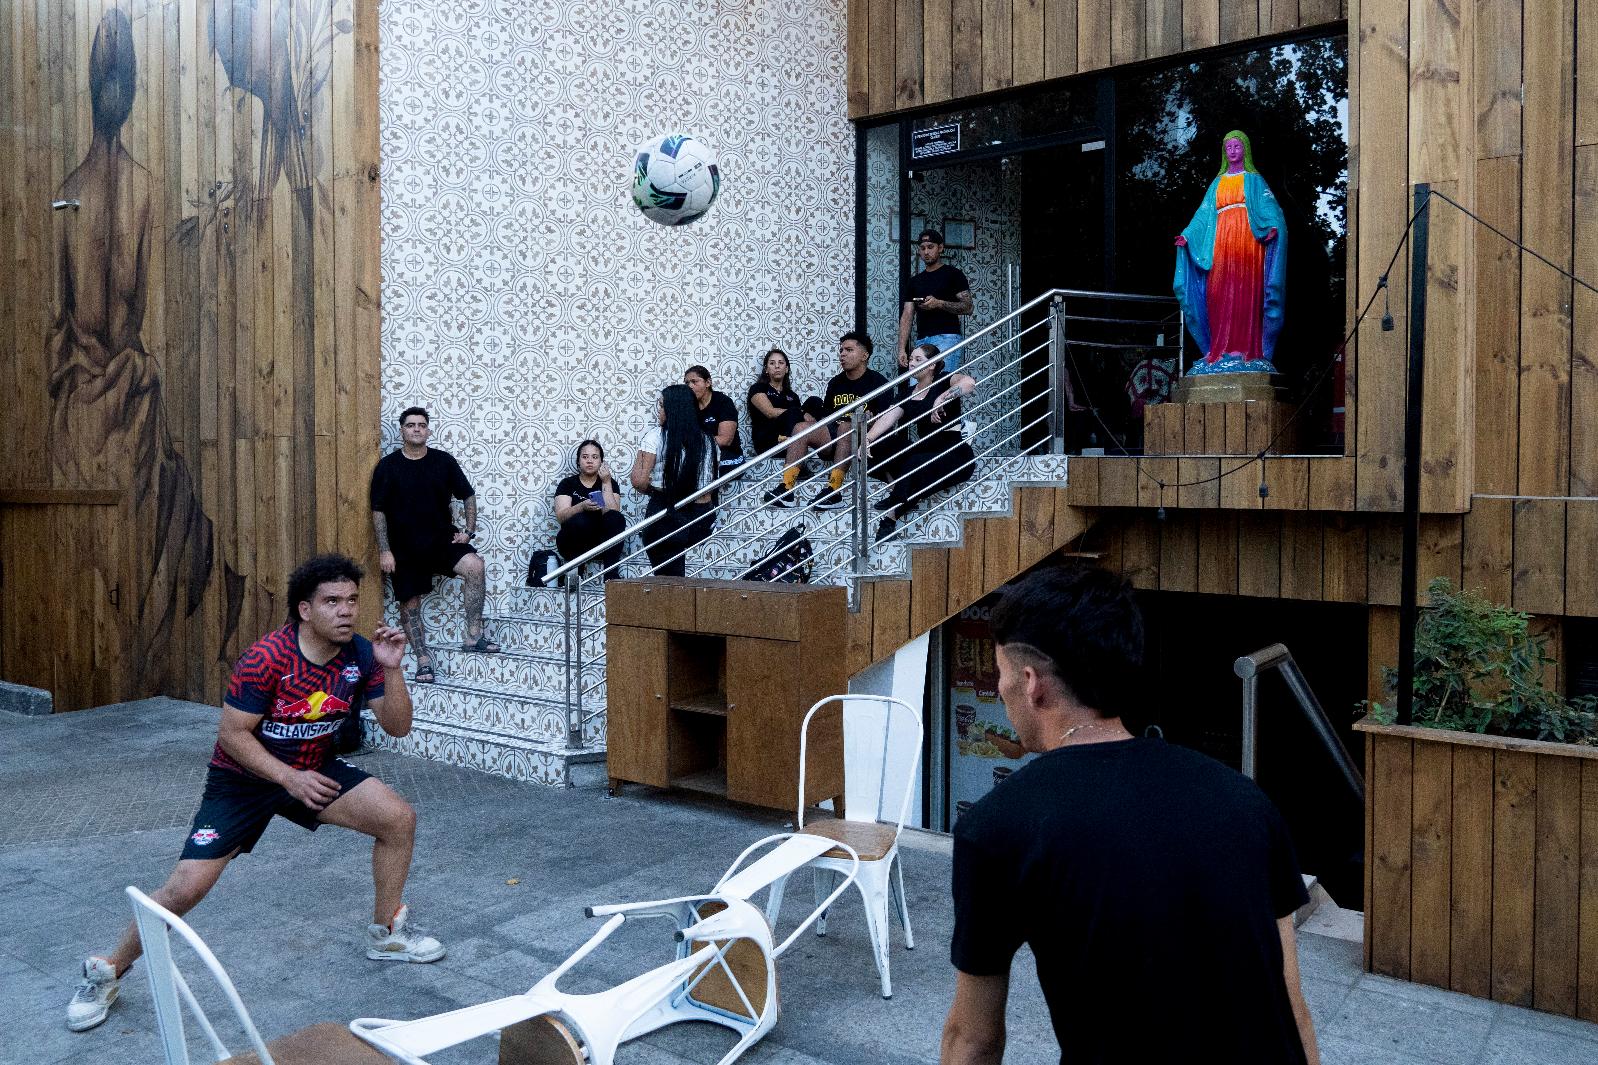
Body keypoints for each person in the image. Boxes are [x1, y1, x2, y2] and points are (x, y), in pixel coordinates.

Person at [940, 565, 1320, 1065]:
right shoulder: (1245, 801)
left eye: (1001, 674)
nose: (1001, 688)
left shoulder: (998, 827)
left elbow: (974, 1039)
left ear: (1031, 683)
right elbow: (1292, 1004)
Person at [65, 554, 445, 1034]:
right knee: (185, 888)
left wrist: (393, 670)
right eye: (331, 601)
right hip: (243, 781)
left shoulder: (364, 654)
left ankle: (387, 933)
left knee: (397, 819)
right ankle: (107, 971)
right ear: (305, 610)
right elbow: (232, 735)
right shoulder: (267, 658)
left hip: (312, 767)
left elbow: (398, 727)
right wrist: (288, 779)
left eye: (351, 600)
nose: (346, 610)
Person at [370, 406, 499, 686]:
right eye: (411, 425)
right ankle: (423, 659)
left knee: (475, 566)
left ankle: (474, 636)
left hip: (441, 540)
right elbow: (378, 510)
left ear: (428, 430)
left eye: (421, 425)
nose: (416, 429)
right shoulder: (388, 466)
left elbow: (468, 495)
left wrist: (468, 531)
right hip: (404, 547)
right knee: (410, 603)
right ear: (402, 430)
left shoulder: (444, 461)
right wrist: (384, 550)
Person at [1173, 129, 1287, 374]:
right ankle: (1219, 347)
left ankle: (1246, 349)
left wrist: (1271, 226)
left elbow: (1270, 208)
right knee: (1217, 291)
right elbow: (1203, 215)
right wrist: (1188, 235)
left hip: (1247, 243)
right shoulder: (1218, 183)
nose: (1233, 151)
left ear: (1245, 150)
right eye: (1229, 148)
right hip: (1220, 243)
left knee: (1245, 291)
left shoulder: (1254, 180)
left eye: (1237, 146)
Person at [867, 344, 977, 541]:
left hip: (954, 452)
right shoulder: (907, 393)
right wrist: (867, 439)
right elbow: (887, 418)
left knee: (915, 463)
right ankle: (897, 489)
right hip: (925, 448)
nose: (911, 363)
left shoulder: (944, 380)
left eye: (918, 360)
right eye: (911, 359)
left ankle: (890, 518)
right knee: (877, 446)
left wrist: (942, 398)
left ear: (932, 365)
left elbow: (969, 383)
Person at [785, 332, 893, 509]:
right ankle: (786, 488)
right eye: (841, 350)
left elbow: (887, 419)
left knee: (846, 427)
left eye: (849, 350)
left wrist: (870, 419)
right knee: (800, 428)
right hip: (835, 438)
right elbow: (827, 416)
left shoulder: (879, 382)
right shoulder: (835, 383)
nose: (842, 354)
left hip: (863, 441)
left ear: (865, 356)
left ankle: (834, 490)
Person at [631, 383, 718, 577]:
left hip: (666, 510)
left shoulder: (656, 436)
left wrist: (653, 491)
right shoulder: (708, 440)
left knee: (667, 579)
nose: (659, 410)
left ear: (674, 409)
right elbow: (709, 485)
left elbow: (638, 481)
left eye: (662, 406)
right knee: (677, 579)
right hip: (701, 515)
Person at [746, 348, 816, 507]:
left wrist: (803, 414)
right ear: (766, 369)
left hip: (789, 442)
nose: (777, 366)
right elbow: (770, 412)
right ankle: (798, 458)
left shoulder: (792, 396)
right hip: (767, 441)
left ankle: (804, 447)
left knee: (814, 402)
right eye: (772, 363)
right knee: (794, 413)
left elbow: (801, 420)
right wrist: (799, 412)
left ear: (787, 368)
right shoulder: (758, 389)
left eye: (781, 363)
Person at [897, 229, 973, 372]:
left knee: (940, 382)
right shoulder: (914, 281)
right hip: (922, 341)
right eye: (922, 248)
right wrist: (901, 349)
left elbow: (968, 307)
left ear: (940, 248)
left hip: (947, 338)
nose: (926, 252)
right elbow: (907, 315)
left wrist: (939, 303)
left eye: (930, 247)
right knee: (917, 384)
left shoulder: (953, 274)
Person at [553, 439, 625, 580]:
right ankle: (575, 576)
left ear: (601, 461)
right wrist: (581, 506)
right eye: (585, 457)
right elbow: (561, 517)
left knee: (617, 518)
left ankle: (610, 576)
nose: (590, 461)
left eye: (595, 457)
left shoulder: (610, 482)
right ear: (578, 461)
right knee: (580, 520)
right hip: (571, 543)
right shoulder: (567, 484)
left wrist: (606, 482)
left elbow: (613, 514)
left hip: (600, 543)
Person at [683, 365, 744, 474]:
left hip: (728, 455)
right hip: (701, 454)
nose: (690, 386)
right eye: (687, 383)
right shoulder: (688, 406)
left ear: (708, 382)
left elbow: (725, 440)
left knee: (706, 469)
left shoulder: (723, 402)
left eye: (694, 381)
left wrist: (694, 442)